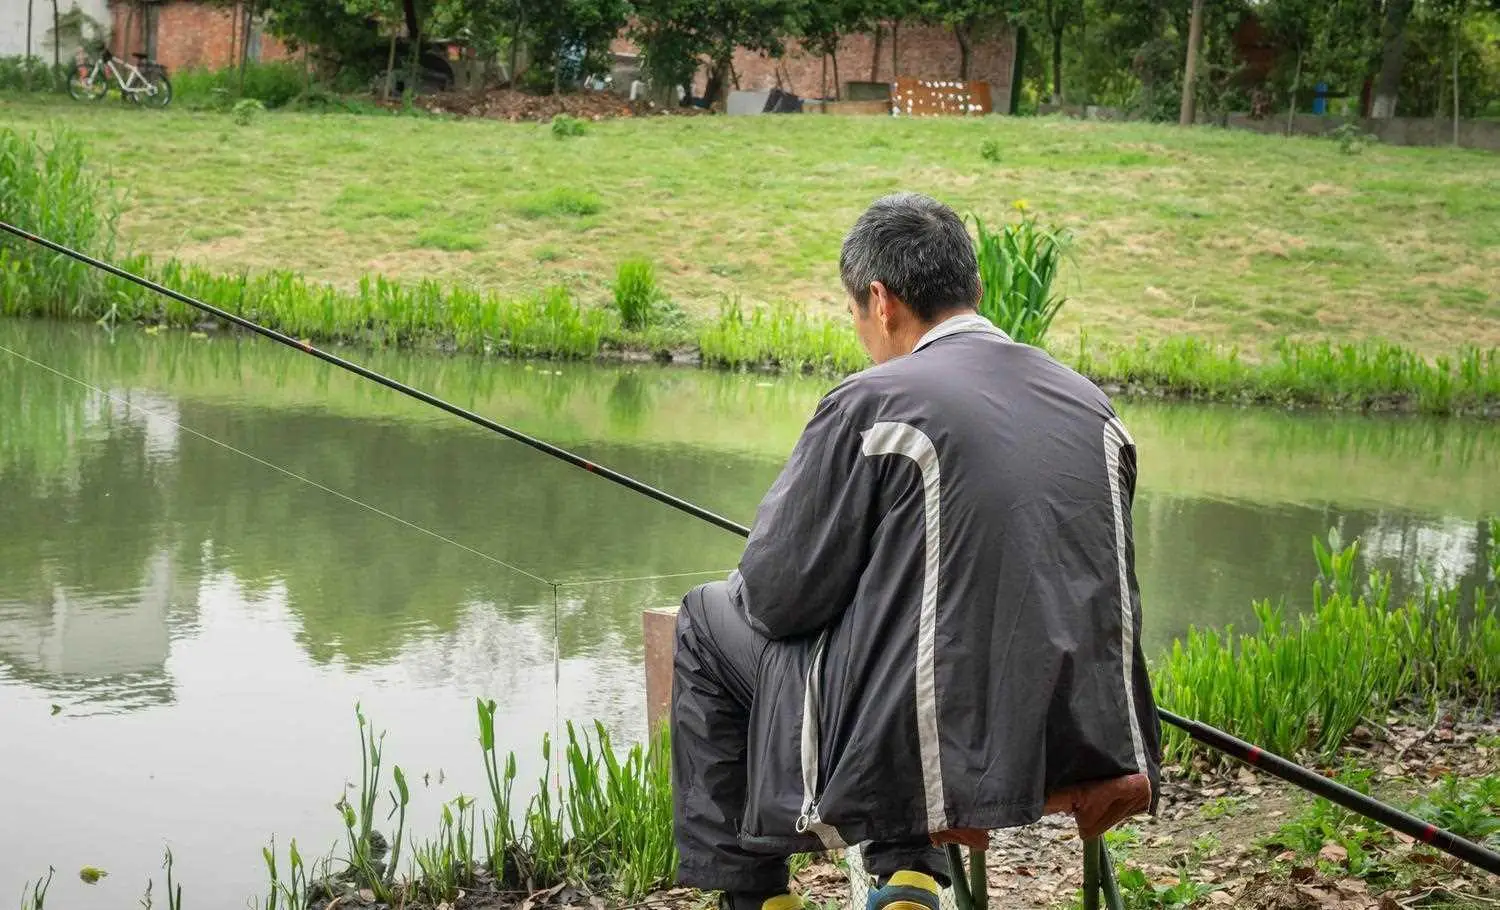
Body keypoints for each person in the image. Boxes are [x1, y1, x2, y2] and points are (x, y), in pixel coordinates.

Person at [670, 192, 1162, 910]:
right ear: (977, 292)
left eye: (855, 313)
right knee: (914, 642)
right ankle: (908, 878)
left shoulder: (874, 401)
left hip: (938, 746)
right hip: (1076, 741)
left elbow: (778, 597)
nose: (861, 332)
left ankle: (757, 898)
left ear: (880, 299)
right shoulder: (1092, 407)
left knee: (707, 621)